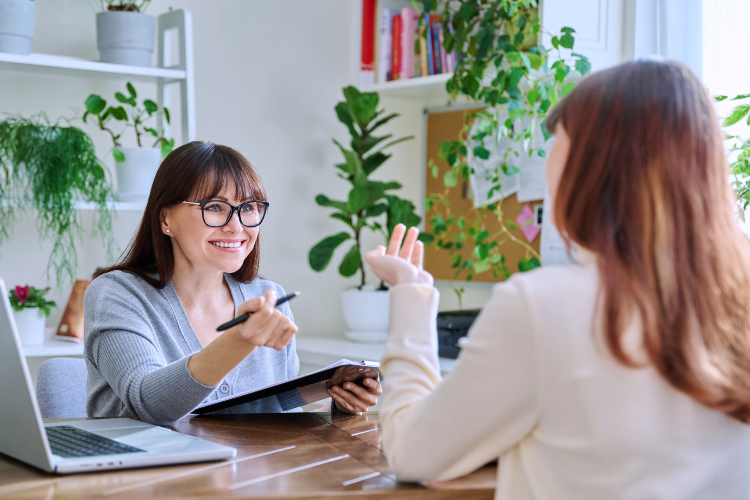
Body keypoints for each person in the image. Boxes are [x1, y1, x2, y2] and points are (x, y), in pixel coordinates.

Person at [364, 60, 750, 499]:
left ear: (594, 164)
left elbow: (413, 452)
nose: (546, 158)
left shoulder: (543, 304)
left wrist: (410, 294)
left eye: (555, 140)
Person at [84, 141, 381, 425]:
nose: (236, 227)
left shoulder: (269, 296)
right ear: (165, 219)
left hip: (243, 477)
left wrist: (339, 404)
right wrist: (239, 341)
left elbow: (272, 418)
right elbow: (147, 404)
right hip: (143, 475)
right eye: (214, 207)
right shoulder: (116, 294)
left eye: (249, 207)